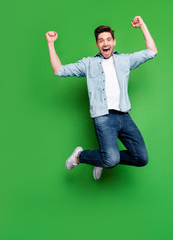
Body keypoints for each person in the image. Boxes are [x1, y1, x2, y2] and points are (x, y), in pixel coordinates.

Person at [45, 16, 158, 180]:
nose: (105, 43)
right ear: (97, 44)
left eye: (108, 39)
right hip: (103, 117)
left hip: (124, 116)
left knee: (141, 158)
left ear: (114, 42)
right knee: (111, 160)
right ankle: (80, 156)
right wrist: (50, 43)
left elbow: (151, 52)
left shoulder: (124, 60)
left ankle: (102, 160)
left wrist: (142, 26)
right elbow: (59, 70)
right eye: (101, 40)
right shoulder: (88, 63)